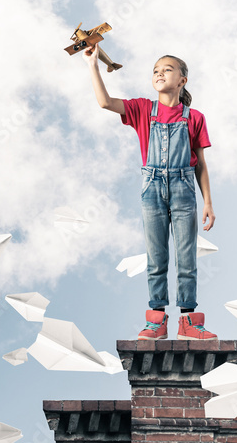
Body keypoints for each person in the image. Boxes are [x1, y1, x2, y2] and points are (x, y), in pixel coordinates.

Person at [85, 47, 217, 340]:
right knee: (156, 258)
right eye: (156, 69)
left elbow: (201, 164)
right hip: (152, 189)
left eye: (167, 69)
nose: (159, 72)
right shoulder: (143, 109)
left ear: (182, 80)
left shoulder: (194, 117)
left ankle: (189, 322)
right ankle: (157, 320)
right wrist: (93, 64)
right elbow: (105, 102)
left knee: (186, 258)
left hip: (184, 190)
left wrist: (207, 201)